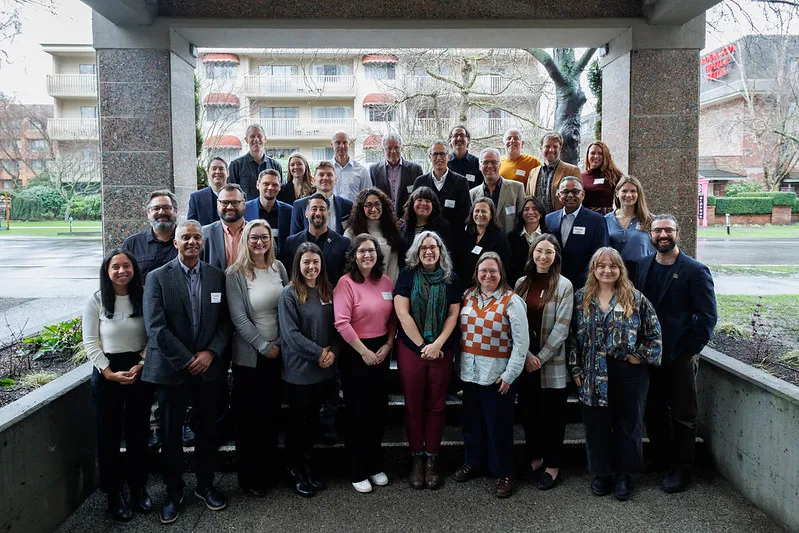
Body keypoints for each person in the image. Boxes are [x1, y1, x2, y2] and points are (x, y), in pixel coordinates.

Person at [142, 220, 232, 525]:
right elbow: (155, 327)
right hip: (172, 370)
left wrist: (208, 354)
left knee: (208, 431)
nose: (192, 242)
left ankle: (205, 486)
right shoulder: (157, 278)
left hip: (208, 369)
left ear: (202, 242)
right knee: (170, 435)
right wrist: (186, 359)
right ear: (176, 242)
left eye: (197, 237)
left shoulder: (216, 277)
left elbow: (224, 323)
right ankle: (173, 491)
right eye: (186, 237)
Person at [568, 247, 662, 501]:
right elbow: (571, 338)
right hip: (591, 371)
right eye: (601, 266)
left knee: (628, 425)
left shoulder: (635, 298)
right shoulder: (580, 299)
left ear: (621, 269)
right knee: (596, 426)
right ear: (593, 270)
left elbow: (654, 336)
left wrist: (638, 356)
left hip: (628, 373)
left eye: (612, 266)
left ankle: (624, 475)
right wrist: (575, 367)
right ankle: (601, 473)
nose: (607, 270)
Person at [635, 214, 717, 494]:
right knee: (654, 410)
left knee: (683, 415)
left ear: (677, 233)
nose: (662, 235)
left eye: (667, 230)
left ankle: (682, 469)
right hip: (649, 355)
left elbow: (707, 318)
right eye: (657, 230)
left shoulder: (695, 270)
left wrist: (687, 352)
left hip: (679, 355)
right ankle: (660, 457)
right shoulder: (643, 266)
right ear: (650, 234)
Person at [83, 249, 151, 521]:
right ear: (107, 271)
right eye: (115, 267)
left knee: (138, 434)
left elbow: (153, 333)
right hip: (107, 373)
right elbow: (90, 341)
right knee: (108, 437)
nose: (122, 271)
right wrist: (108, 372)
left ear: (134, 268)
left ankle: (138, 488)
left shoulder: (144, 296)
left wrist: (143, 363)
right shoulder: (96, 301)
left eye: (126, 266)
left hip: (139, 371)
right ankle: (114, 494)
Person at [454, 252, 529, 499]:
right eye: (483, 270)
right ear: (476, 273)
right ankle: (473, 463)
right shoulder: (467, 296)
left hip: (497, 376)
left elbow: (521, 343)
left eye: (493, 271)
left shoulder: (511, 301)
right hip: (470, 374)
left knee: (499, 427)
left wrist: (510, 375)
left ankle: (504, 473)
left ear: (501, 274)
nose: (488, 275)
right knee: (472, 424)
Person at [393, 231, 462, 490]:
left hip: (441, 350)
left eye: (433, 247)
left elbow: (453, 315)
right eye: (423, 248)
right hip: (412, 349)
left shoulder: (450, 278)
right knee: (413, 406)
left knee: (436, 406)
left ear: (440, 251)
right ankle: (416, 460)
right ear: (416, 252)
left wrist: (437, 345)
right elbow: (402, 313)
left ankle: (432, 459)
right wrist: (424, 346)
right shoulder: (407, 275)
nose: (429, 252)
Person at [225, 219, 289, 498]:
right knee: (250, 419)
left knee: (271, 416)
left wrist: (282, 344)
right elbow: (239, 318)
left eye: (264, 237)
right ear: (245, 241)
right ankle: (250, 476)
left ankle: (269, 471)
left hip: (280, 353)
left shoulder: (279, 268)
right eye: (254, 238)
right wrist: (265, 347)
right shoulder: (235, 273)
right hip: (251, 358)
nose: (259, 242)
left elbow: (290, 305)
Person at [333, 234, 397, 493]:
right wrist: (364, 352)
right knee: (358, 413)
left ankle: (374, 464)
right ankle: (357, 468)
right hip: (355, 353)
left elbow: (393, 318)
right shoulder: (345, 283)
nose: (367, 255)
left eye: (371, 251)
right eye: (362, 252)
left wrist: (388, 346)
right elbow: (341, 322)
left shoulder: (385, 281)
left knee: (378, 411)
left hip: (382, 350)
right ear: (354, 256)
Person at [513, 234, 573, 491]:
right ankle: (535, 457)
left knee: (553, 416)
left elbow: (563, 326)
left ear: (556, 256)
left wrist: (540, 357)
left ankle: (553, 464)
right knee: (529, 413)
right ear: (532, 254)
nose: (543, 256)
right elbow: (513, 321)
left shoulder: (564, 285)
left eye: (549, 252)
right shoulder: (521, 283)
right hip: (525, 358)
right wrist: (526, 356)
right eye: (539, 251)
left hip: (551, 359)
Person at [279, 242, 338, 497]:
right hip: (299, 372)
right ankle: (295, 470)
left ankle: (308, 467)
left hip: (324, 371)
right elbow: (290, 335)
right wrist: (319, 354)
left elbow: (339, 325)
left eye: (316, 262)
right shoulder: (289, 293)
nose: (311, 267)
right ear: (298, 265)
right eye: (306, 262)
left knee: (314, 423)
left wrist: (333, 351)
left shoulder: (328, 290)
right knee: (297, 425)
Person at [544, 177, 609, 289]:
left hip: (585, 284)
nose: (570, 196)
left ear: (582, 195)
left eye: (575, 191)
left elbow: (600, 255)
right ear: (559, 195)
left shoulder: (597, 221)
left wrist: (586, 281)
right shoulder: (549, 219)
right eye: (565, 192)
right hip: (553, 283)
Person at [282, 193, 351, 285]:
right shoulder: (292, 242)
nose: (318, 213)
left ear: (328, 214)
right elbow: (289, 275)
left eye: (322, 209)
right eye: (314, 209)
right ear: (306, 213)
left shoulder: (343, 243)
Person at [412, 141, 471, 239]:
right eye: (435, 154)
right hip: (425, 239)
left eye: (442, 154)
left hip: (453, 239)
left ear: (448, 156)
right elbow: (413, 210)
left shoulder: (461, 182)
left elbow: (465, 214)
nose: (439, 158)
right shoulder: (420, 181)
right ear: (430, 157)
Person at [345, 187, 404, 283]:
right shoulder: (351, 233)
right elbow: (348, 265)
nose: (373, 209)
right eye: (368, 205)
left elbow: (393, 267)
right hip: (359, 287)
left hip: (385, 289)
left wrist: (389, 290)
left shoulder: (392, 232)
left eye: (377, 204)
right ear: (361, 208)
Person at [122, 190, 179, 280]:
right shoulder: (132, 244)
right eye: (156, 208)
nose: (161, 212)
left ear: (176, 211)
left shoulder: (189, 242)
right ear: (148, 213)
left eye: (166, 207)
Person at [605, 175, 655, 279]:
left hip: (643, 274)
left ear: (638, 194)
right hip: (613, 276)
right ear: (617, 193)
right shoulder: (605, 220)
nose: (628, 195)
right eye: (624, 191)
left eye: (633, 191)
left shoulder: (651, 220)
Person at [456, 197, 512, 286]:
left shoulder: (499, 238)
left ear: (491, 215)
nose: (480, 214)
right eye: (477, 211)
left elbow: (503, 267)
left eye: (484, 211)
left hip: (488, 285)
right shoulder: (465, 234)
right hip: (464, 285)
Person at [469, 147, 525, 234]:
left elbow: (522, 220)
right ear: (480, 166)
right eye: (485, 162)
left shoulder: (517, 188)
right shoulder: (472, 194)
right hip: (484, 244)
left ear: (500, 165)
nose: (490, 166)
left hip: (509, 243)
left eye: (494, 162)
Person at [290, 161, 353, 235]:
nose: (325, 178)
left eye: (329, 175)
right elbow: (295, 238)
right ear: (314, 180)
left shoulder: (347, 205)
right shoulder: (300, 205)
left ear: (336, 180)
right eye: (321, 175)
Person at [525, 132, 581, 213]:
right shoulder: (533, 173)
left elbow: (578, 199)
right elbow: (528, 199)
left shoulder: (572, 170)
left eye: (555, 146)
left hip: (560, 221)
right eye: (547, 146)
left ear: (560, 148)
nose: (551, 150)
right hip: (537, 221)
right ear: (541, 148)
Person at [370, 133, 424, 217]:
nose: (393, 151)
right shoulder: (374, 170)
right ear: (383, 150)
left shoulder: (415, 170)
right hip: (383, 220)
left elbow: (419, 198)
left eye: (396, 147)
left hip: (408, 220)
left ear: (401, 148)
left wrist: (403, 219)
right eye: (389, 148)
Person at [228, 124, 283, 202]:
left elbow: (281, 192)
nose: (256, 139)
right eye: (252, 136)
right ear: (246, 140)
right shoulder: (236, 165)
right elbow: (231, 193)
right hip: (246, 211)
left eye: (259, 136)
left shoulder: (276, 166)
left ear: (265, 139)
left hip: (271, 212)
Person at [243, 169, 293, 256]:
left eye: (275, 185)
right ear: (257, 185)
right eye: (266, 184)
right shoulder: (244, 210)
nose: (270, 187)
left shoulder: (289, 211)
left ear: (280, 187)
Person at [400, 186, 455, 261]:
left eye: (427, 201)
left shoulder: (443, 227)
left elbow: (447, 255)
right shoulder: (404, 227)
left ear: (433, 205)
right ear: (412, 204)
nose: (423, 203)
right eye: (419, 200)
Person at [202, 184, 247, 270]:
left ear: (244, 204)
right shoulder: (204, 234)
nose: (230, 207)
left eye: (235, 202)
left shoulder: (256, 232)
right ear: (217, 204)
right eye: (225, 202)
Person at [508, 196, 549, 285]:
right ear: (521, 214)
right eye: (526, 209)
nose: (530, 212)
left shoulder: (549, 237)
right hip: (517, 285)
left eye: (535, 209)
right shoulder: (512, 237)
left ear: (541, 213)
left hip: (544, 284)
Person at [581, 141, 623, 214]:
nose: (596, 156)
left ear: (605, 156)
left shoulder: (614, 176)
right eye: (593, 153)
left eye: (600, 153)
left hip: (604, 218)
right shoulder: (580, 176)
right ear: (587, 155)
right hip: (584, 218)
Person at [331, 131, 372, 201]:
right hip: (330, 211)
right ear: (331, 144)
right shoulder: (325, 170)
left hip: (353, 211)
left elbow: (368, 197)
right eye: (338, 143)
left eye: (345, 143)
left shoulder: (361, 170)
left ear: (349, 144)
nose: (341, 146)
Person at [188, 157, 228, 225]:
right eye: (214, 169)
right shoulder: (196, 198)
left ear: (228, 173)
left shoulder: (239, 196)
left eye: (221, 169)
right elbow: (191, 225)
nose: (218, 172)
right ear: (207, 173)